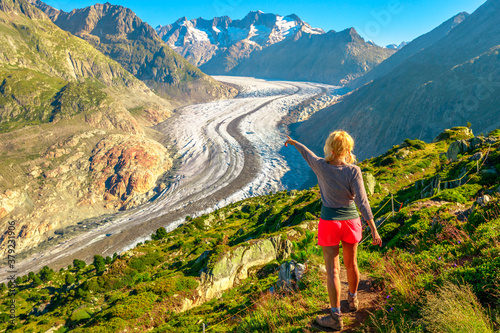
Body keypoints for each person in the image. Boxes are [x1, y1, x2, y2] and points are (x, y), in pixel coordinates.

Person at [284, 131, 382, 331]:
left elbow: (307, 154)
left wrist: (294, 142)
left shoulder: (321, 166)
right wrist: (373, 229)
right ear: (348, 149)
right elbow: (362, 202)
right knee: (352, 264)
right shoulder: (354, 171)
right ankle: (353, 300)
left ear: (329, 147)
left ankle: (335, 316)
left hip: (330, 222)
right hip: (351, 221)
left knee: (333, 271)